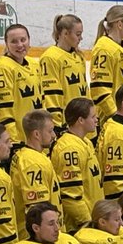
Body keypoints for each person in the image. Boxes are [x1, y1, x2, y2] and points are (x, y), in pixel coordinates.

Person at [50, 97, 102, 232]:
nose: (97, 119)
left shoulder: (86, 142)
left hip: (94, 219)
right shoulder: (69, 149)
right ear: (81, 120)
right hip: (79, 227)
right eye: (93, 116)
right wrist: (87, 222)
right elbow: (70, 195)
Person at [0, 23, 46, 142]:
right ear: (7, 44)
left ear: (29, 40)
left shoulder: (34, 64)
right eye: (14, 41)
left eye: (23, 40)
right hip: (19, 140)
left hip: (37, 136)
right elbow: (3, 111)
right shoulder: (2, 69)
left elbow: (42, 101)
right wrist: (13, 141)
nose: (20, 45)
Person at [10, 108, 58, 238]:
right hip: (39, 238)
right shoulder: (33, 163)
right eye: (50, 131)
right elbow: (38, 210)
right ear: (36, 134)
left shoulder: (28, 156)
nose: (54, 135)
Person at [89, 4, 123, 121]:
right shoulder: (104, 49)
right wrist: (115, 114)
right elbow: (99, 89)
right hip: (112, 120)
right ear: (119, 24)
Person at [39, 13, 87, 128]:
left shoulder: (79, 56)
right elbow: (51, 94)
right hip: (67, 123)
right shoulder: (50, 58)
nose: (81, 38)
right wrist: (56, 124)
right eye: (78, 34)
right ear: (65, 33)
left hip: (82, 119)